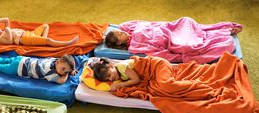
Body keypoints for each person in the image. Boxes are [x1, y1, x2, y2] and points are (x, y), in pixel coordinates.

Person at [103, 17, 243, 64]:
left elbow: (125, 25)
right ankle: (222, 37)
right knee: (191, 45)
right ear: (119, 43)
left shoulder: (130, 28)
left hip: (170, 29)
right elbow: (157, 53)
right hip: (171, 41)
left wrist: (116, 30)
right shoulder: (134, 46)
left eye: (120, 31)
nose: (122, 31)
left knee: (185, 20)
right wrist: (180, 58)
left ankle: (223, 30)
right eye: (119, 34)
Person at [0, 52, 77, 84]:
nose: (64, 72)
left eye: (66, 71)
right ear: (58, 62)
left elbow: (64, 64)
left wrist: (69, 69)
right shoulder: (50, 73)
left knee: (3, 60)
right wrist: (68, 73)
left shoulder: (53, 60)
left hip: (22, 59)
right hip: (18, 69)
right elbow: (61, 81)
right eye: (63, 69)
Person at [0, 17, 79, 47]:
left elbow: (7, 19)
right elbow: (9, 42)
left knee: (45, 25)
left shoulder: (4, 30)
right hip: (24, 39)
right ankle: (67, 43)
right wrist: (8, 31)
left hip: (29, 33)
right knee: (48, 40)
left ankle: (42, 40)